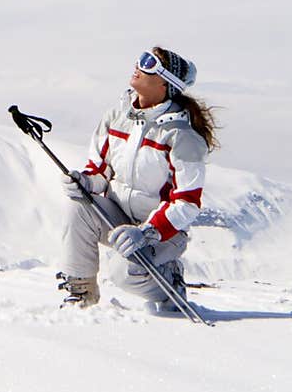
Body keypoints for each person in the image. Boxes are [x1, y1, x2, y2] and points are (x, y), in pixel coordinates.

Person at [57, 46, 218, 313]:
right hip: (118, 217)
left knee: (123, 272)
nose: (138, 66)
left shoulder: (182, 137)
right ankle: (81, 293)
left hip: (163, 232)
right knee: (78, 206)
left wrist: (147, 232)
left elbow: (187, 203)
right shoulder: (117, 117)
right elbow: (100, 172)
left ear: (165, 82)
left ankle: (169, 282)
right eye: (142, 59)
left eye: (149, 63)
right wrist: (84, 183)